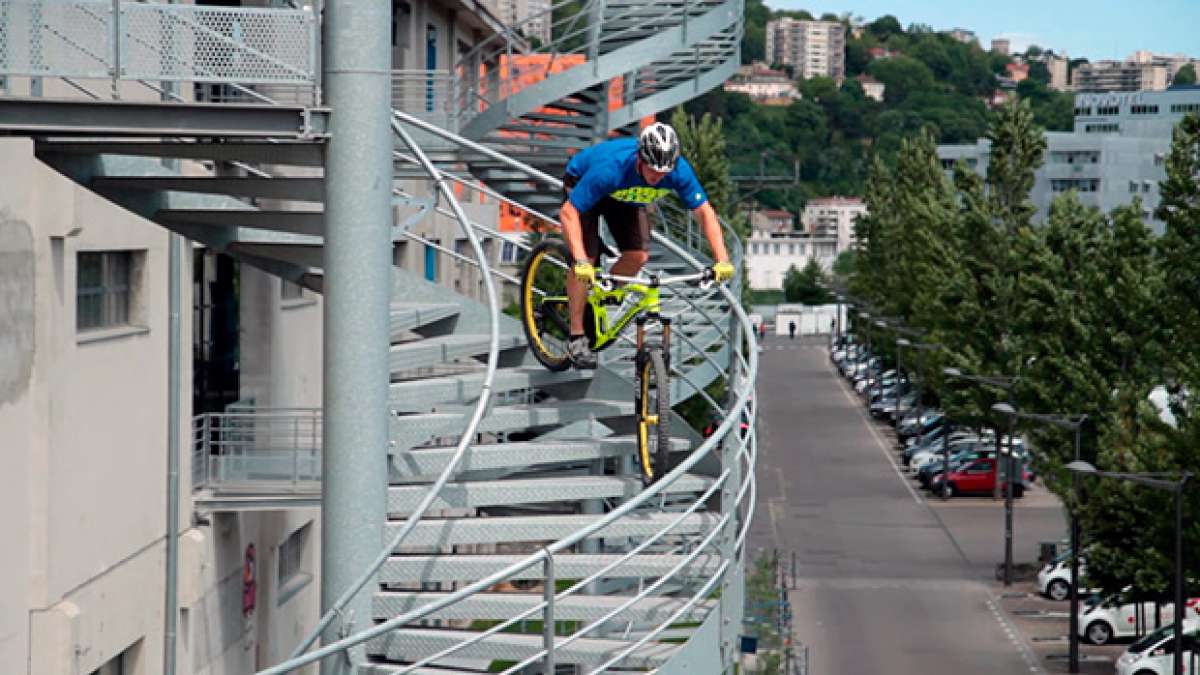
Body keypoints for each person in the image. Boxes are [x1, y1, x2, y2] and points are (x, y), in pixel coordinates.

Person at [560, 122, 734, 368]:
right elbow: (569, 212)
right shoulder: (612, 169)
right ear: (641, 159)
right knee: (586, 259)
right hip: (585, 181)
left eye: (664, 173)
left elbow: (705, 212)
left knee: (638, 256)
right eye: (653, 171)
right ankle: (576, 335)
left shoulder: (677, 171)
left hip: (626, 195)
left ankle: (602, 296)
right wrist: (579, 259)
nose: (658, 178)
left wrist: (722, 259)